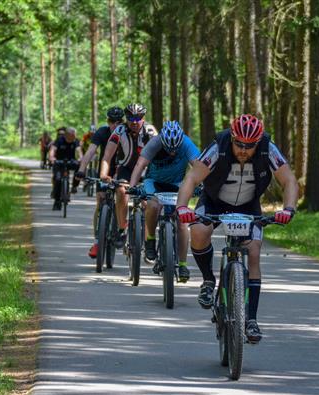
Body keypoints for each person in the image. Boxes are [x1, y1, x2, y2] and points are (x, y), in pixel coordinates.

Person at [175, 114, 298, 343]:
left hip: (248, 205)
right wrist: (182, 207)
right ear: (232, 138)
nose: (243, 150)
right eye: (239, 144)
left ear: (257, 142)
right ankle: (208, 280)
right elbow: (192, 178)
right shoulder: (219, 146)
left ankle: (251, 320)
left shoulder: (267, 148)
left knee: (253, 251)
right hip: (214, 201)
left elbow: (288, 180)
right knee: (199, 231)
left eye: (249, 146)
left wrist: (288, 208)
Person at [129, 121, 200, 282]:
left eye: (175, 149)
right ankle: (150, 240)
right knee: (153, 205)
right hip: (154, 181)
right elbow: (140, 165)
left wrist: (202, 185)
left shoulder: (186, 143)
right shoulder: (155, 142)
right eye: (169, 149)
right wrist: (132, 187)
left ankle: (182, 264)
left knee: (182, 221)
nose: (172, 152)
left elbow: (198, 166)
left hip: (177, 183)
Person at [99, 103, 158, 248]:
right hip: (126, 169)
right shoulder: (119, 130)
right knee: (121, 190)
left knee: (148, 202)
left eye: (138, 118)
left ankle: (148, 240)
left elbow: (160, 154)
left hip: (146, 170)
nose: (134, 122)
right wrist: (103, 174)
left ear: (143, 118)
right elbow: (107, 156)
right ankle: (122, 229)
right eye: (131, 118)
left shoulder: (150, 131)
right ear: (126, 118)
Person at [74, 107, 126, 258]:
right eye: (111, 121)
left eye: (118, 121)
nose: (114, 125)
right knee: (101, 200)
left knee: (121, 195)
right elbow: (91, 151)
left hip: (122, 169)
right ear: (107, 121)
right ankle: (97, 241)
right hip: (105, 169)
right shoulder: (102, 132)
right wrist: (82, 169)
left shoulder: (126, 133)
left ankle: (120, 229)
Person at [48, 127, 83, 210]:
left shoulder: (76, 141)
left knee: (79, 167)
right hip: (59, 162)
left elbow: (79, 151)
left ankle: (74, 185)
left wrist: (81, 158)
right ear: (67, 135)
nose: (75, 136)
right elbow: (53, 149)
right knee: (58, 179)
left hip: (71, 161)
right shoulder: (59, 140)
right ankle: (57, 201)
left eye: (75, 135)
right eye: (73, 135)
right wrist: (51, 157)